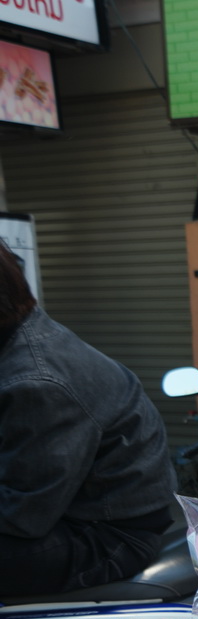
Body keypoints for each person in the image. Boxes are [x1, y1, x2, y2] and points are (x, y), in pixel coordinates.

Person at [0, 243, 177, 597]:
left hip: (105, 537)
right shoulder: (19, 339)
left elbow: (23, 514)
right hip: (68, 513)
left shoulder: (35, 383)